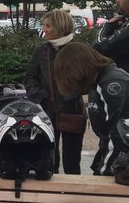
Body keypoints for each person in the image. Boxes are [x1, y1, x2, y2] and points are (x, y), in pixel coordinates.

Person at [54, 42, 129, 176]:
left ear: (77, 68)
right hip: (122, 153)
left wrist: (105, 170)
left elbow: (120, 136)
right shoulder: (97, 81)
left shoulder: (113, 85)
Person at [25, 9, 86, 175]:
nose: (43, 29)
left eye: (47, 25)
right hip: (47, 110)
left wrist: (70, 95)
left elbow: (88, 79)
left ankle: (72, 197)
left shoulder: (78, 50)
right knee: (49, 159)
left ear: (59, 27)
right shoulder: (42, 51)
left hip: (72, 110)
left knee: (72, 162)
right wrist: (41, 96)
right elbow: (31, 77)